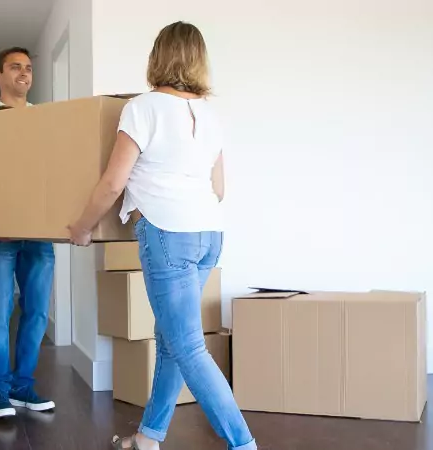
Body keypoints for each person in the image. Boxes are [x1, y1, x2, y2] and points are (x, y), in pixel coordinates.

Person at [68, 22, 257, 450]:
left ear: (158, 57)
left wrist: (81, 227)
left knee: (187, 346)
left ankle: (244, 445)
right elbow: (219, 188)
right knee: (172, 340)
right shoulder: (210, 115)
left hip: (168, 234)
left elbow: (112, 183)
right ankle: (148, 436)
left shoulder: (143, 107)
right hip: (209, 234)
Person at [0, 47, 56, 419]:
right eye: (15, 67)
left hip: (38, 232)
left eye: (28, 68)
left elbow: (54, 172)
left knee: (36, 312)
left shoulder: (46, 121)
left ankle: (23, 387)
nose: (24, 73)